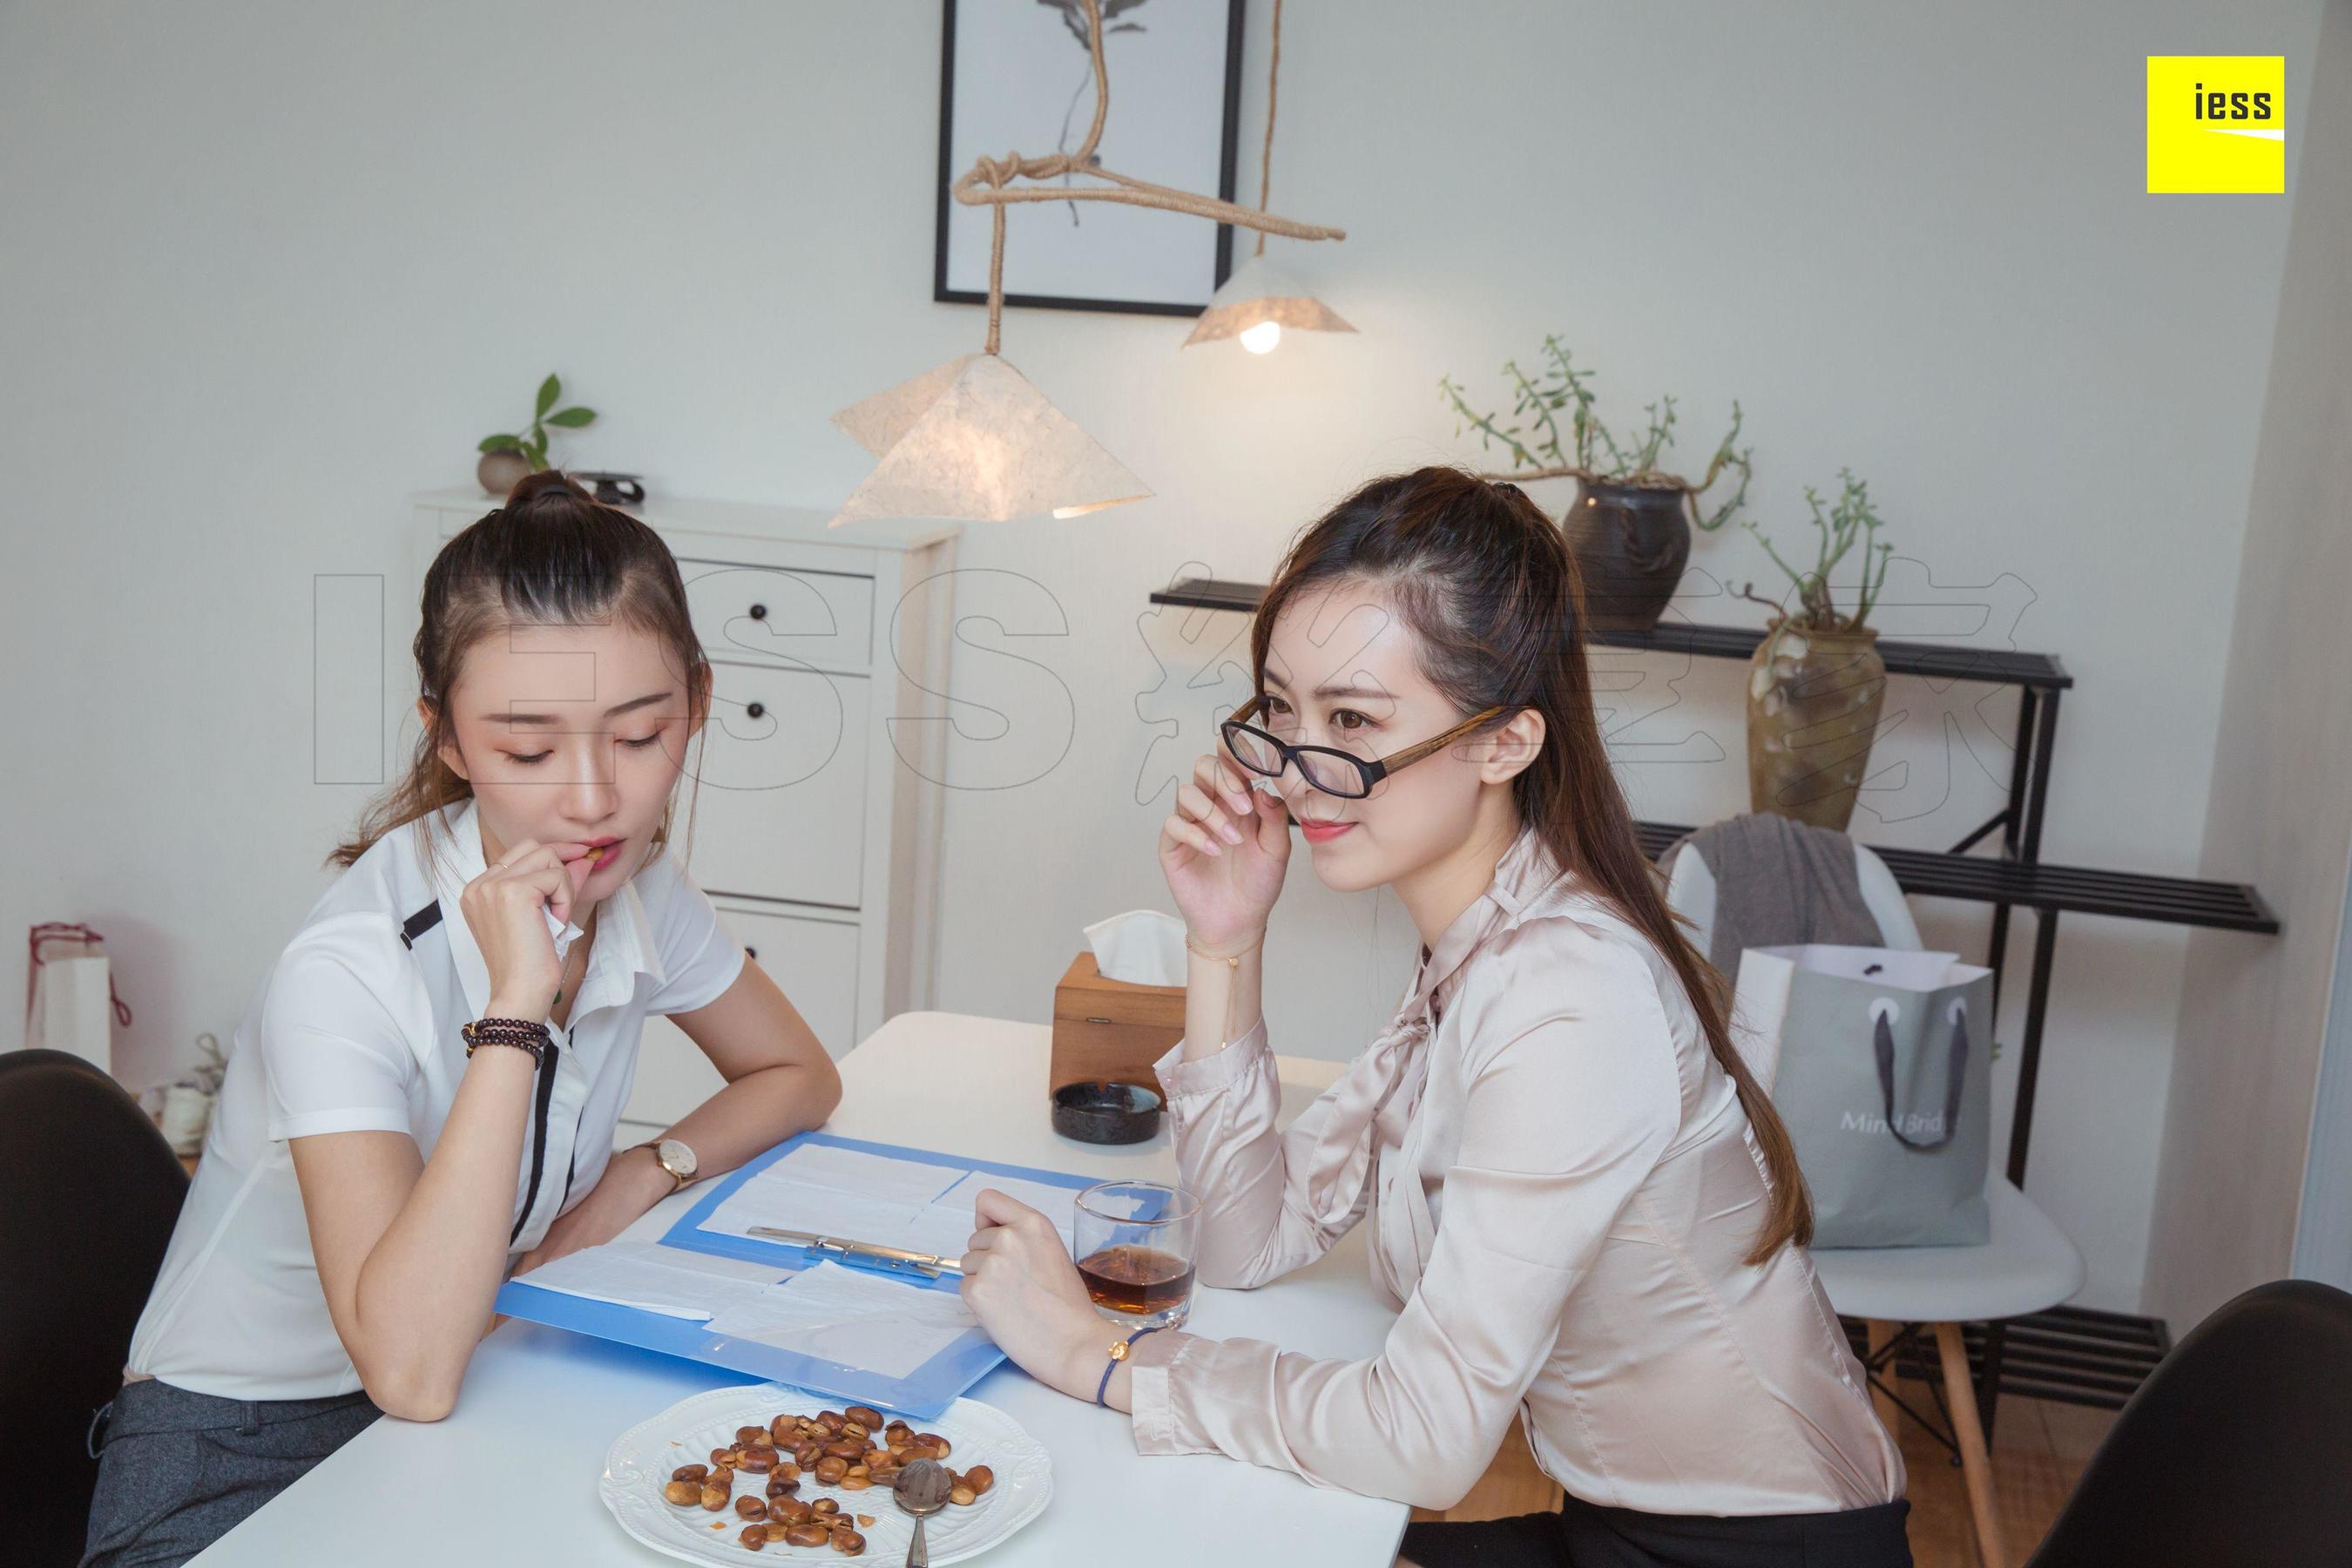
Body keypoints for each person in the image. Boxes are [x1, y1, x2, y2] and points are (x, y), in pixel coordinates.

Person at [956, 468, 1911, 1567]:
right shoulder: (1479, 945)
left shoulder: (1569, 996)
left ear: (1505, 743)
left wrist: (1099, 1360)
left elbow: (1428, 1441)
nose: (1297, 776)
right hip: (1629, 1528)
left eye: (1352, 720)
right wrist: (1223, 939)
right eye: (1277, 708)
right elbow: (1243, 1240)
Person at [82, 472, 842, 1568]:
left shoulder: (639, 891)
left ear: (699, 706)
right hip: (242, 1458)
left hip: (479, 1385)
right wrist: (515, 1008)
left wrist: (638, 1177)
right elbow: (409, 1372)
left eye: (640, 736)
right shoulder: (347, 967)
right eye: (528, 752)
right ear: (446, 738)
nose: (593, 800)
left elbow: (797, 1075)